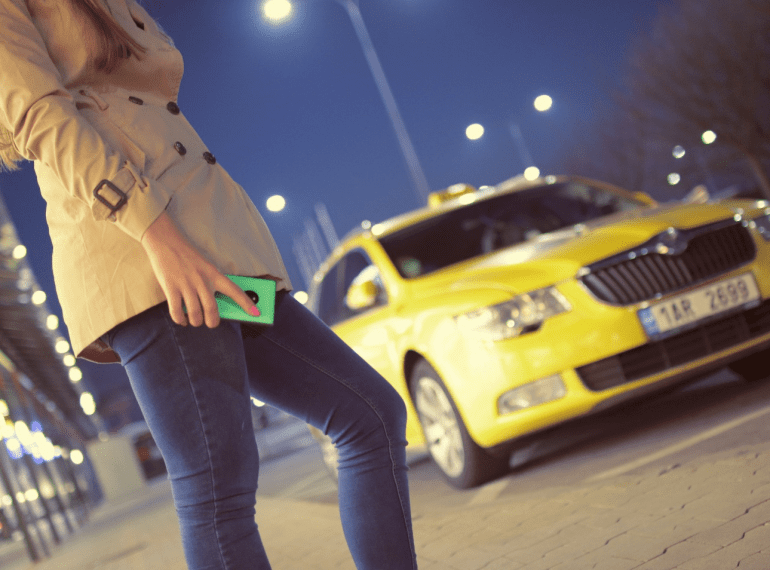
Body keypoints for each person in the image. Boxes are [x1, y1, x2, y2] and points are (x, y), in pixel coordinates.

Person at [0, 0, 418, 568]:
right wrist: (157, 236)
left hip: (218, 261)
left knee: (369, 412)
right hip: (152, 263)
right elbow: (39, 116)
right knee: (217, 490)